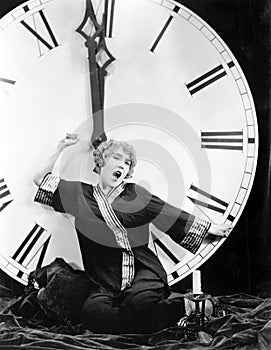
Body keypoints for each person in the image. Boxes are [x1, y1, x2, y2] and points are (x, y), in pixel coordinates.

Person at [33, 135, 231, 334]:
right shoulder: (79, 194)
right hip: (103, 280)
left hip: (143, 271)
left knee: (138, 306)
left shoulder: (136, 194)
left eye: (127, 163)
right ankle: (160, 317)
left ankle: (194, 307)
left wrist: (209, 228)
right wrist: (60, 147)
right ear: (101, 161)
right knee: (93, 314)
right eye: (117, 158)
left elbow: (167, 212)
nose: (123, 165)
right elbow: (40, 179)